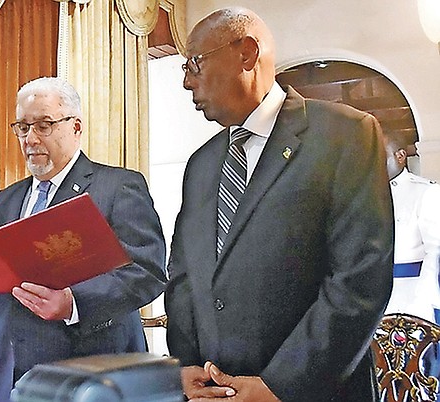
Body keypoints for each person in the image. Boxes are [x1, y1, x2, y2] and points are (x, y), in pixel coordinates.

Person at [164, 7, 393, 402]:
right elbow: (184, 275)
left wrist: (281, 386)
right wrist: (186, 367)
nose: (186, 82)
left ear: (247, 54)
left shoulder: (345, 135)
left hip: (312, 390)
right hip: (214, 391)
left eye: (194, 65)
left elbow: (358, 281)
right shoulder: (200, 164)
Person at [0, 77, 166, 401]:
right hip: (12, 375)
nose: (30, 138)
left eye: (44, 125)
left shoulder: (118, 187)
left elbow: (147, 272)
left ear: (76, 127)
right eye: (22, 127)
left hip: (92, 375)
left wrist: (73, 304)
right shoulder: (5, 200)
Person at [383, 134, 440, 374]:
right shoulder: (364, 196)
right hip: (374, 300)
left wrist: (424, 305)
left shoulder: (425, 193)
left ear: (400, 156)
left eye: (380, 156)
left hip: (413, 299)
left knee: (417, 373)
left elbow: (436, 250)